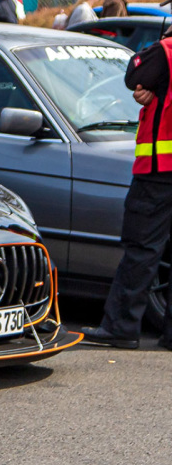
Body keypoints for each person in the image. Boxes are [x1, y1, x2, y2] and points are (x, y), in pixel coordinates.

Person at [81, 33, 172, 350]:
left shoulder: (165, 51)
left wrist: (161, 46)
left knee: (142, 249)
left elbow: (134, 75)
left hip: (159, 173)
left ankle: (121, 326)